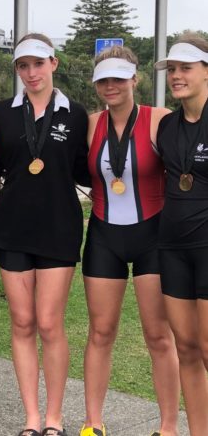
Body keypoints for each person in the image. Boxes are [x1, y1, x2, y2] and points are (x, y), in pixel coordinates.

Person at [0, 33, 89, 436]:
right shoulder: (4, 113)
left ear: (54, 64)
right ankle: (31, 418)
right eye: (23, 66)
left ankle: (54, 418)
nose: (31, 73)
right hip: (11, 228)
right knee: (22, 321)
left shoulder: (75, 114)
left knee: (49, 323)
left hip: (59, 228)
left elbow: (85, 169)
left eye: (38, 64)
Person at [81, 46, 179, 436]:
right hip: (104, 235)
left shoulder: (160, 120)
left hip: (154, 236)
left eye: (119, 78)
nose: (111, 86)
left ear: (134, 79)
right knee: (100, 332)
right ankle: (93, 423)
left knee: (159, 335)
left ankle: (169, 426)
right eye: (104, 79)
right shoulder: (90, 124)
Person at [154, 34, 208, 435]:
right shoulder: (167, 126)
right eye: (172, 70)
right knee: (187, 348)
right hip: (171, 247)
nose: (176, 76)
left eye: (185, 68)